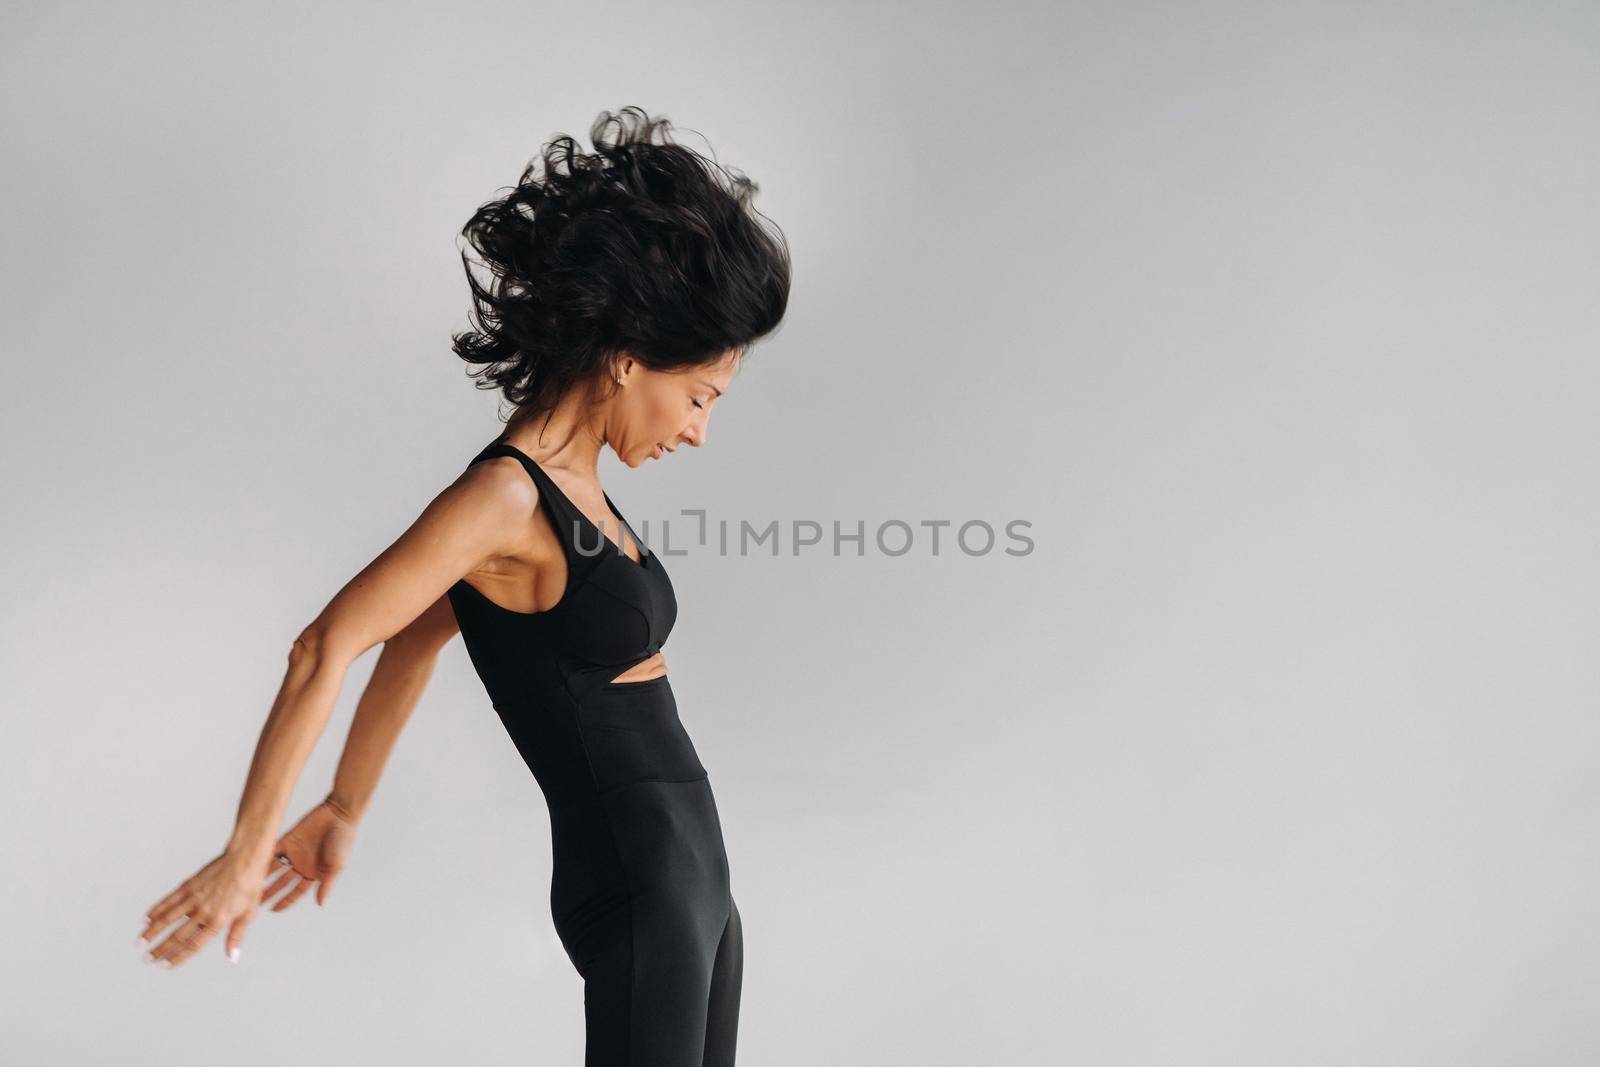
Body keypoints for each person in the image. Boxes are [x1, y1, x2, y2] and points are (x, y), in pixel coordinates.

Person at [138, 106, 791, 1066]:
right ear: (625, 359)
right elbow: (328, 643)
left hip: (699, 887)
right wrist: (249, 849)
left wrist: (346, 807)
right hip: (640, 886)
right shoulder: (502, 499)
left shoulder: (577, 493)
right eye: (699, 398)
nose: (699, 429)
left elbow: (417, 638)